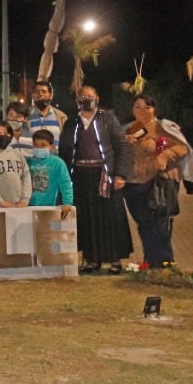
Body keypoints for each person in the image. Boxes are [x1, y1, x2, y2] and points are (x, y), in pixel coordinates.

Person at [59, 84, 133, 274]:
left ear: (97, 98)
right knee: (87, 218)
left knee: (110, 217)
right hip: (81, 176)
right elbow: (65, 151)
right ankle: (91, 260)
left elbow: (122, 147)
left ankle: (115, 260)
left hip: (105, 175)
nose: (86, 99)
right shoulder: (72, 122)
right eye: (82, 97)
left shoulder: (108, 118)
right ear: (78, 100)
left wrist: (120, 174)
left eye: (90, 96)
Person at [122, 93, 190, 268]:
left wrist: (165, 156)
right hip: (132, 184)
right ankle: (150, 262)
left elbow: (182, 147)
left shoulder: (163, 128)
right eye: (138, 107)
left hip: (157, 183)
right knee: (144, 225)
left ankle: (165, 264)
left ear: (154, 109)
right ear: (132, 109)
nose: (142, 111)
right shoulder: (128, 130)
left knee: (160, 224)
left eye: (147, 107)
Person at [0, 122, 32, 209]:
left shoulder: (18, 154)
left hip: (18, 206)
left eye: (5, 134)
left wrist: (25, 199)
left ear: (11, 136)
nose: (2, 136)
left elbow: (26, 177)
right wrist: (0, 201)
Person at [26, 130, 74, 208]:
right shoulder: (28, 162)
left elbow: (65, 184)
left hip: (49, 206)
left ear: (51, 147)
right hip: (28, 205)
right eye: (36, 145)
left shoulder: (57, 163)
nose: (39, 148)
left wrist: (68, 203)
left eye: (43, 145)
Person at [27, 79, 68, 143]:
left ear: (51, 96)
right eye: (37, 91)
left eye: (44, 91)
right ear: (33, 95)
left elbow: (66, 140)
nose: (40, 94)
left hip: (56, 153)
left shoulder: (61, 116)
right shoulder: (26, 115)